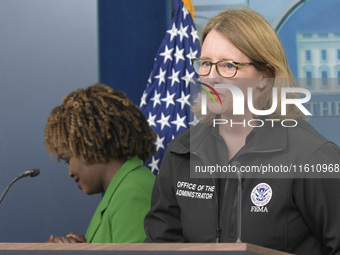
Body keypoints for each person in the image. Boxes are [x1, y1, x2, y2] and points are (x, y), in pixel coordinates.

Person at [144, 8, 340, 255]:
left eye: (228, 66)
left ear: (265, 77)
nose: (211, 77)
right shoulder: (182, 152)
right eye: (205, 64)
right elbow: (160, 246)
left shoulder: (312, 157)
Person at [44, 83, 156, 243]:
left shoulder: (133, 191)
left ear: (91, 144)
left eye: (67, 159)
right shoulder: (119, 192)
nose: (70, 172)